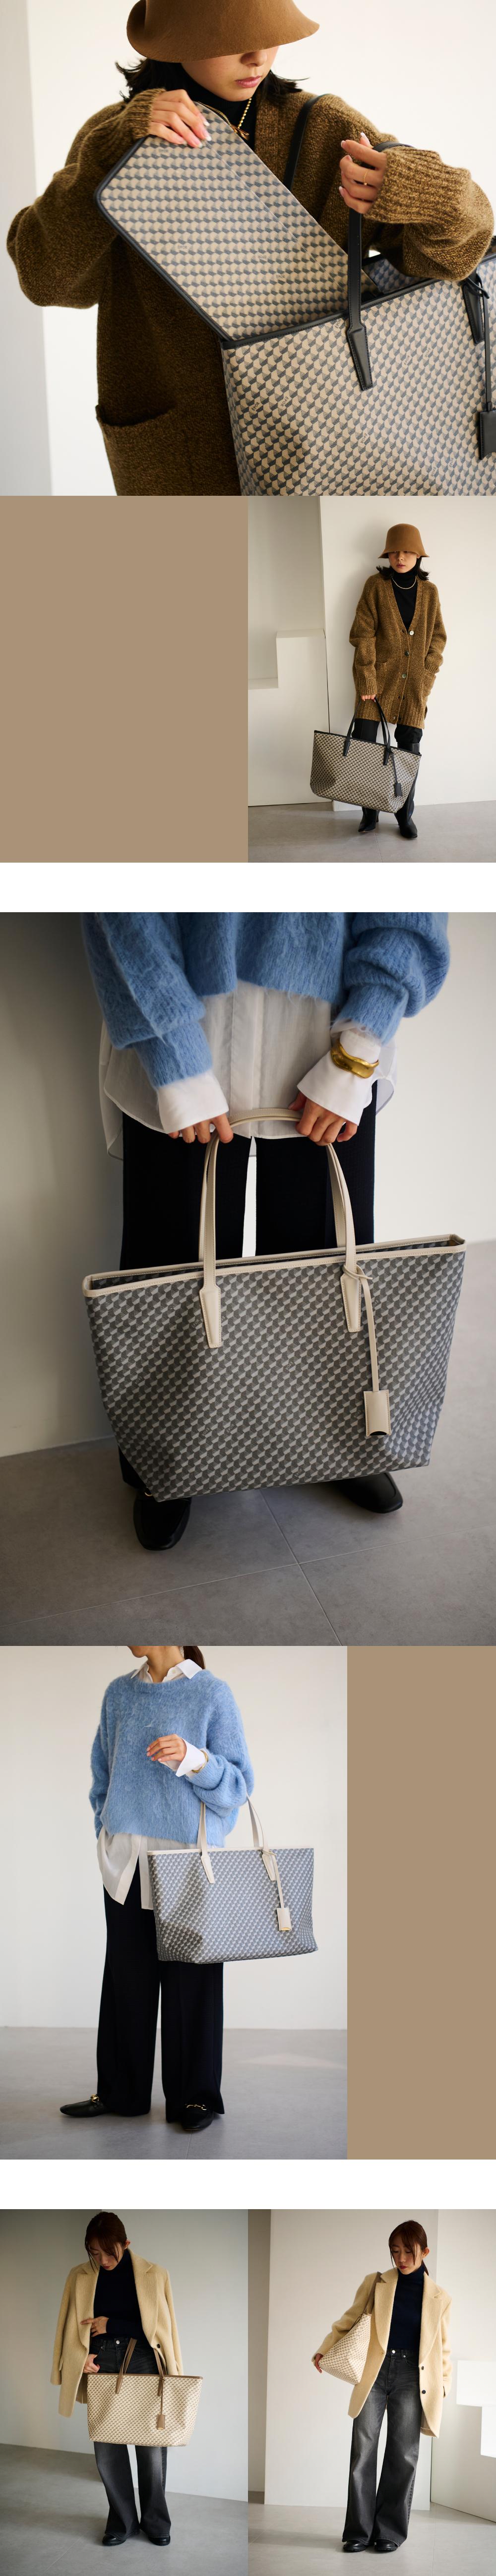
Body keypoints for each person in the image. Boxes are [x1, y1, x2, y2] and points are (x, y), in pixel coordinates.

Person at [7, 4, 493, 497]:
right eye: (232, 38)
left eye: (270, 32)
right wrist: (110, 153)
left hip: (323, 440)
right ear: (174, 39)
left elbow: (454, 259)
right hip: (181, 451)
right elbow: (49, 281)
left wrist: (427, 190)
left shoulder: (324, 129)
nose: (258, 55)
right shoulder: (118, 138)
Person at [82, 909, 450, 1538]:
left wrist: (357, 1052)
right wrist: (173, 1056)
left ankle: (341, 1436)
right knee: (172, 1260)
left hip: (328, 1033)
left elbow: (406, 900)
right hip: (180, 1025)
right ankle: (169, 1457)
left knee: (329, 1259)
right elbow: (122, 899)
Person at [60, 1642, 254, 2133]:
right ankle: (120, 2093)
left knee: (193, 1986)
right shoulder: (119, 1694)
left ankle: (195, 2099)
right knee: (126, 1982)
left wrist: (194, 1759)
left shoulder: (212, 1694)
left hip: (188, 1863)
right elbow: (102, 1775)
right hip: (126, 1861)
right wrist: (106, 1830)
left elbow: (238, 1788)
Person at [313, 2220, 452, 2554]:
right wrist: (325, 2348)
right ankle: (358, 2533)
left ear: (425, 2252)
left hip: (412, 2377)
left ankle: (389, 2532)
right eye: (395, 2251)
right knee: (363, 2451)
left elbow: (443, 2348)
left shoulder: (440, 2298)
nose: (401, 2258)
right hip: (374, 2372)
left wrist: (443, 2385)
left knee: (403, 2454)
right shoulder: (377, 2283)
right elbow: (349, 2320)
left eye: (408, 2252)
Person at [52, 2209, 182, 2547]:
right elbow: (69, 2327)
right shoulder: (79, 2276)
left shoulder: (155, 2274)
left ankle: (156, 2521)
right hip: (102, 2360)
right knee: (107, 2446)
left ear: (127, 2243)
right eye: (95, 2253)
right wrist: (81, 2357)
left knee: (151, 2446)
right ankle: (122, 2523)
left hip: (143, 2359)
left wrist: (111, 2324)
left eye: (111, 2253)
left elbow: (160, 2329)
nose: (104, 2261)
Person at [349, 525, 447, 841]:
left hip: (415, 685)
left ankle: (405, 814)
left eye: (406, 552)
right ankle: (369, 813)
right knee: (365, 745)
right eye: (394, 552)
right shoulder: (375, 587)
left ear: (418, 555)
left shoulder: (430, 592)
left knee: (409, 750)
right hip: (376, 682)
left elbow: (439, 636)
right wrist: (367, 678)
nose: (400, 558)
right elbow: (362, 634)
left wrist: (428, 672)